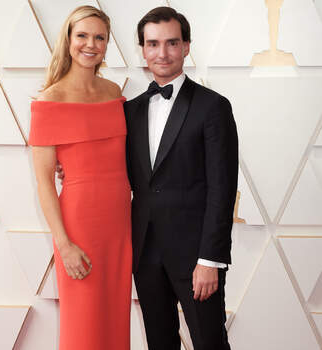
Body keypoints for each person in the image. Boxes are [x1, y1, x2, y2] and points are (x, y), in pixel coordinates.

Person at [124, 7, 238, 350]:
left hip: (196, 257)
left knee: (209, 343)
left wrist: (210, 260)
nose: (163, 53)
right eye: (153, 44)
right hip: (145, 253)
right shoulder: (128, 111)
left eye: (172, 43)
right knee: (160, 343)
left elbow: (222, 188)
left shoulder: (213, 106)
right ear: (143, 49)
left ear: (186, 46)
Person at [28, 6, 132, 350]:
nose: (91, 44)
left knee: (115, 317)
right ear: (68, 40)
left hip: (119, 224)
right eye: (82, 36)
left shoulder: (113, 91)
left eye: (99, 37)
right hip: (79, 226)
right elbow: (44, 182)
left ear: (107, 44)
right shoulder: (50, 100)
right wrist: (64, 244)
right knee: (83, 321)